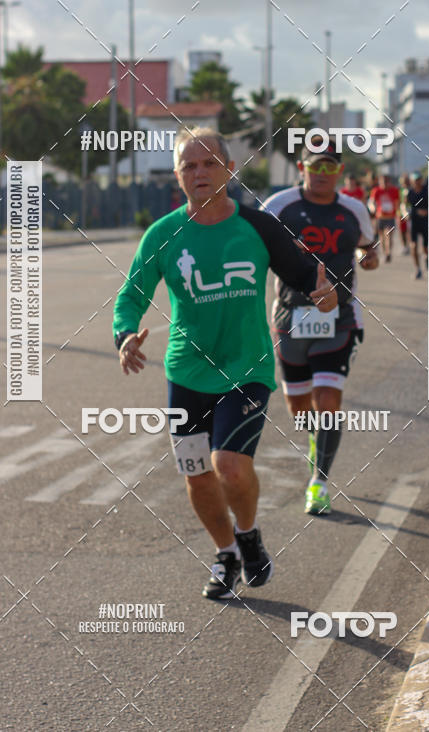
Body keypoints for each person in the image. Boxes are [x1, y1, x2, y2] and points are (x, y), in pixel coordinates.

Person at [113, 128, 339, 600]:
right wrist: (125, 335)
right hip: (186, 372)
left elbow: (306, 277)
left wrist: (324, 294)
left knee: (229, 467)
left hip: (246, 369)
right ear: (177, 174)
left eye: (208, 163)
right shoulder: (163, 234)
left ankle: (249, 533)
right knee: (197, 475)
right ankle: (226, 554)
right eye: (188, 165)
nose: (198, 173)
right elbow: (131, 296)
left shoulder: (258, 227)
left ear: (229, 169)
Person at [262, 137, 379, 516]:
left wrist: (368, 259)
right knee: (299, 408)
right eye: (315, 165)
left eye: (329, 166)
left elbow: (368, 247)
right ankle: (317, 439)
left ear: (339, 171)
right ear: (302, 168)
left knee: (328, 402)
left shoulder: (353, 209)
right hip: (290, 317)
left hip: (339, 317)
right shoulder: (280, 206)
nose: (322, 173)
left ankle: (319, 482)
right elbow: (253, 246)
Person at [369, 174, 399, 263]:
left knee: (389, 236)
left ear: (389, 182)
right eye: (382, 182)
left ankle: (388, 253)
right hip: (380, 217)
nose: (384, 184)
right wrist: (373, 209)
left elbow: (397, 203)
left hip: (390, 217)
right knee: (381, 237)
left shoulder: (394, 190)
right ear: (379, 182)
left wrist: (397, 214)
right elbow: (371, 202)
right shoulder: (376, 190)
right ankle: (385, 252)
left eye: (386, 182)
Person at [406, 174, 428, 279]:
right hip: (414, 222)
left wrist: (427, 211)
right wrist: (405, 214)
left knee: (426, 248)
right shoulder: (409, 192)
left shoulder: (427, 190)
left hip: (426, 222)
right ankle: (417, 269)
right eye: (415, 180)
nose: (417, 182)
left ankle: (427, 261)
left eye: (419, 180)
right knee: (413, 246)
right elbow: (405, 206)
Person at [398, 174, 411, 256]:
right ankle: (404, 246)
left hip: (409, 212)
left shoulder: (411, 189)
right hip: (401, 212)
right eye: (403, 181)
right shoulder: (400, 190)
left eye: (406, 181)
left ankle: (410, 245)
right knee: (402, 230)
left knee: (409, 230)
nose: (405, 183)